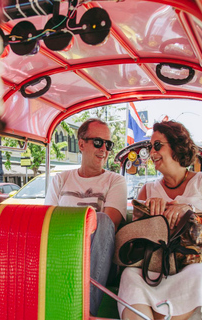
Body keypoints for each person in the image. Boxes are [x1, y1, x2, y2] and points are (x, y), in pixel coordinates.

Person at [118, 120, 202, 320]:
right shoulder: (147, 190)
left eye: (157, 145)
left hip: (195, 265)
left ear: (177, 146)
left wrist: (189, 211)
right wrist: (147, 215)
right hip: (157, 267)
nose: (152, 153)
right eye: (150, 147)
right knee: (130, 276)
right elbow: (136, 237)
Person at [44, 118, 127, 316]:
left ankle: (83, 310)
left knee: (103, 220)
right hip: (60, 250)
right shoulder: (61, 179)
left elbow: (108, 226)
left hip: (94, 255)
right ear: (81, 144)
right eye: (98, 142)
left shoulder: (115, 181)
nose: (104, 149)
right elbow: (47, 221)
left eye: (108, 144)